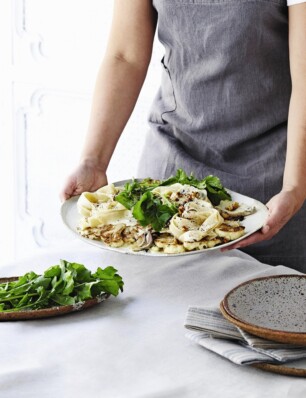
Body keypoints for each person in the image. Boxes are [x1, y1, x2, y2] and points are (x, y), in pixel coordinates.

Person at [60, 0, 306, 271]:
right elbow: (125, 56)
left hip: (278, 174)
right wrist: (93, 160)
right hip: (170, 170)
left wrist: (294, 188)